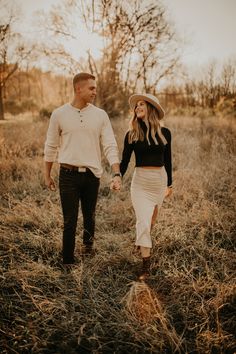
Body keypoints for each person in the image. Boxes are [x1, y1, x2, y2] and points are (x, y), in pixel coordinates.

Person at [44, 72, 122, 265]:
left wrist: (116, 172)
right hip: (68, 175)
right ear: (78, 89)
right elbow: (51, 145)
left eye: (95, 87)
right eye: (91, 88)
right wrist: (47, 174)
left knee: (90, 216)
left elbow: (110, 144)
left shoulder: (100, 115)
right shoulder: (59, 114)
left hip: (91, 175)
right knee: (69, 220)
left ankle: (88, 250)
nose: (95, 91)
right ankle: (68, 261)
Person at [120, 93, 172, 280]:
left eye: (141, 104)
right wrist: (118, 176)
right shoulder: (132, 134)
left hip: (159, 180)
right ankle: (145, 266)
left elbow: (168, 159)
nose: (137, 108)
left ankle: (141, 242)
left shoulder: (165, 133)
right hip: (140, 182)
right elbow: (125, 160)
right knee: (143, 221)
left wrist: (169, 184)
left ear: (150, 108)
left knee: (150, 221)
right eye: (136, 106)